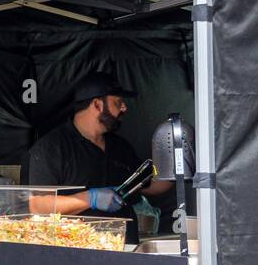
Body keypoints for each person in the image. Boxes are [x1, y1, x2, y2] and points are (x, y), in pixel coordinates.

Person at [27, 71, 174, 244]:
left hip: (124, 250)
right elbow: (38, 205)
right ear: (97, 104)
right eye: (117, 102)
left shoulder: (120, 147)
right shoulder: (52, 147)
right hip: (77, 252)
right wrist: (91, 198)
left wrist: (176, 166)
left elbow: (150, 186)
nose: (124, 108)